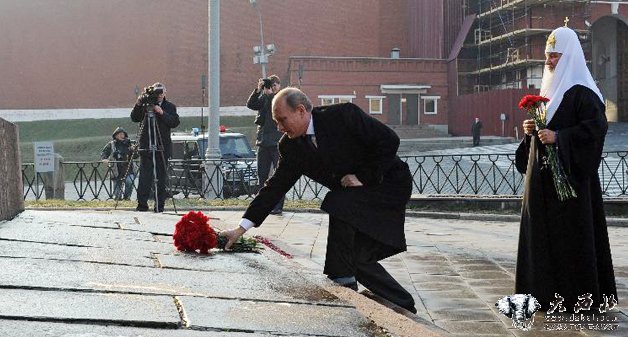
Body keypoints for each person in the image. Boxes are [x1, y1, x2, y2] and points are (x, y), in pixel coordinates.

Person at [221, 87, 417, 314]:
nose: (279, 127)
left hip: (388, 184)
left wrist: (362, 176)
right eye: (276, 122)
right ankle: (403, 303)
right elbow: (275, 187)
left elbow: (389, 140)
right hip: (354, 196)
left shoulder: (343, 115)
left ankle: (342, 279)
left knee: (337, 203)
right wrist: (240, 228)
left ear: (301, 111)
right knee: (357, 257)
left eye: (282, 119)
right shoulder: (290, 145)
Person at [514, 26, 617, 311]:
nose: (549, 61)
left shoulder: (584, 94)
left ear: (569, 56)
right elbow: (543, 135)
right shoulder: (549, 92)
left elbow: (596, 129)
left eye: (555, 56)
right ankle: (543, 294)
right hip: (544, 185)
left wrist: (561, 138)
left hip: (571, 187)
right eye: (547, 56)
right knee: (543, 239)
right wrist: (530, 132)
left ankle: (574, 297)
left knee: (570, 241)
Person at [131, 82, 180, 212]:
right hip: (146, 146)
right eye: (156, 93)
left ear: (165, 93)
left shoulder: (169, 107)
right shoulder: (145, 105)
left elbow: (174, 122)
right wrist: (138, 104)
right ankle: (142, 205)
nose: (158, 95)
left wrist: (161, 112)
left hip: (162, 147)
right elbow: (135, 118)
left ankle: (159, 205)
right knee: (145, 177)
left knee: (161, 177)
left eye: (161, 92)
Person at [247, 74, 285, 214]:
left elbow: (276, 109)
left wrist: (269, 95)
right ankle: (262, 205)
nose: (272, 88)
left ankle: (278, 206)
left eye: (275, 85)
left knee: (278, 176)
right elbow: (251, 104)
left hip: (277, 142)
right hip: (263, 142)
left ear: (279, 86)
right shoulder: (264, 97)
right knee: (262, 176)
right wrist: (258, 91)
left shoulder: (281, 98)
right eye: (270, 85)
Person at [100, 127, 137, 200]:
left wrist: (134, 150)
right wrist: (104, 159)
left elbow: (136, 156)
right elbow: (104, 152)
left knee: (129, 182)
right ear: (115, 136)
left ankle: (127, 198)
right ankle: (118, 199)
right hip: (117, 170)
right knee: (117, 193)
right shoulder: (111, 144)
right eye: (119, 134)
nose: (121, 135)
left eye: (122, 134)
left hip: (129, 168)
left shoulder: (130, 143)